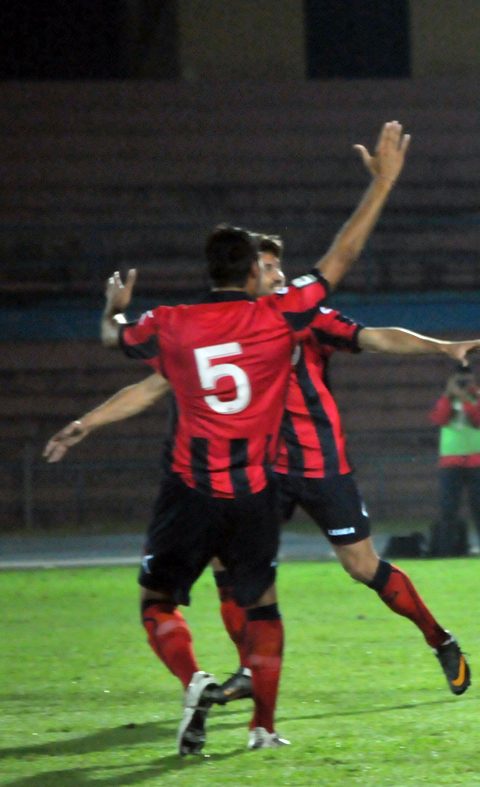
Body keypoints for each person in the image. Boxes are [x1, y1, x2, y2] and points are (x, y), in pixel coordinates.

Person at [47, 234, 480, 711]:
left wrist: (442, 348)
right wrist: (86, 423)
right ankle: (249, 671)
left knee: (362, 566)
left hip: (320, 462)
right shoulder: (215, 332)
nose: (277, 277)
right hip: (259, 470)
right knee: (231, 570)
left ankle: (439, 639)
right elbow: (151, 388)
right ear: (247, 276)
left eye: (279, 271)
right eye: (267, 270)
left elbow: (375, 336)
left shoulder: (300, 318)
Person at [94, 120, 408, 755]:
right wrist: (382, 185)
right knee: (261, 606)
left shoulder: (171, 323)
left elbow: (114, 337)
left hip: (190, 490)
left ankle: (195, 678)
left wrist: (113, 308)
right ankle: (262, 727)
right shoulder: (279, 313)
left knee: (158, 602)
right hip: (256, 493)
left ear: (209, 269)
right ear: (251, 273)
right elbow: (340, 258)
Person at [428, 364, 480, 557]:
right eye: (459, 380)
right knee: (448, 510)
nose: (463, 383)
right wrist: (448, 396)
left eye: (466, 380)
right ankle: (445, 552)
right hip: (451, 461)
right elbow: (439, 419)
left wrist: (464, 398)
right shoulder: (445, 400)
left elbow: (479, 421)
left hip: (478, 461)